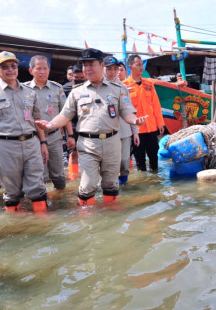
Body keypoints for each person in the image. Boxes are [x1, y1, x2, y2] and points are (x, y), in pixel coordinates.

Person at [36, 48, 147, 206]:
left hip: (112, 143)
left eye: (91, 65)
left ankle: (111, 215)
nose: (87, 69)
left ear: (102, 65)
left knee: (111, 184)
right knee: (87, 185)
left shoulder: (118, 89)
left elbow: (127, 112)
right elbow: (65, 115)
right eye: (84, 65)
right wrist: (51, 124)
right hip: (88, 145)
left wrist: (135, 121)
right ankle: (87, 220)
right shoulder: (77, 92)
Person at [0, 51, 49, 213]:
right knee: (11, 190)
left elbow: (37, 120)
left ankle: (43, 221)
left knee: (37, 185)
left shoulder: (29, 91)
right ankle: (16, 225)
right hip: (5, 146)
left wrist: (43, 143)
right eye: (5, 67)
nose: (10, 70)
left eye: (13, 66)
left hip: (31, 143)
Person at [25, 55, 75, 189]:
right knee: (40, 174)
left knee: (58, 174)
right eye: (38, 68)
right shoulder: (24, 90)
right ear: (31, 71)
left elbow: (65, 113)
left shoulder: (56, 88)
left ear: (49, 69)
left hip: (54, 137)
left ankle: (61, 199)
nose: (42, 72)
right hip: (34, 139)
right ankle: (44, 202)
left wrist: (70, 135)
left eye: (45, 68)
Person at [123, 54, 165, 172]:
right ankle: (144, 183)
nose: (141, 67)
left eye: (142, 64)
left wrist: (160, 123)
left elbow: (156, 105)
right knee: (140, 159)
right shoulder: (124, 86)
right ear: (130, 66)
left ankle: (156, 182)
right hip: (136, 130)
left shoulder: (149, 84)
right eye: (138, 65)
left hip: (151, 127)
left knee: (154, 157)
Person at [103, 56, 139, 185]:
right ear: (102, 69)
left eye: (115, 69)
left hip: (124, 130)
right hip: (106, 131)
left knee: (124, 161)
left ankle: (124, 185)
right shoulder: (98, 86)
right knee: (110, 162)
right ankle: (110, 188)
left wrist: (135, 131)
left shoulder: (123, 87)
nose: (112, 72)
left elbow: (130, 109)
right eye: (109, 69)